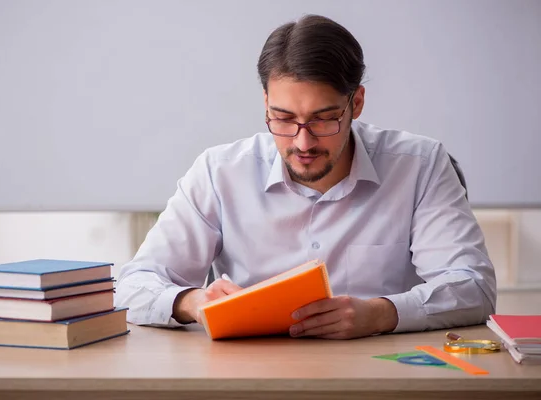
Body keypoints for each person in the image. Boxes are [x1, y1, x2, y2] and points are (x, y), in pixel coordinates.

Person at [115, 14, 496, 339]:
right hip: (249, 379)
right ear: (265, 102)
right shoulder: (220, 172)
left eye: (323, 119)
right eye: (283, 119)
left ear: (356, 103)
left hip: (383, 376)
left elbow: (473, 287)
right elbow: (133, 286)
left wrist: (382, 314)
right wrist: (193, 302)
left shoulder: (421, 164)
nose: (303, 142)